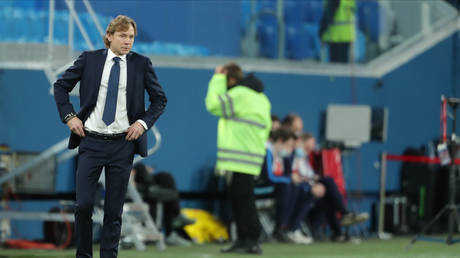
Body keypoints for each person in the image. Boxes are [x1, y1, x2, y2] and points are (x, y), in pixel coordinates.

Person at [53, 15, 167, 258]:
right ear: (109, 36)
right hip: (91, 142)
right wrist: (70, 116)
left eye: (131, 37)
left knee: (113, 211)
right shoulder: (89, 59)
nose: (128, 41)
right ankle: (83, 255)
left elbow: (159, 100)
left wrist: (142, 123)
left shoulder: (141, 64)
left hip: (122, 145)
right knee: (83, 206)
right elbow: (60, 86)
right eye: (123, 36)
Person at [205, 63, 271, 254]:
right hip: (252, 155)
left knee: (242, 201)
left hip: (238, 157)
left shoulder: (240, 94)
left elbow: (213, 104)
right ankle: (245, 239)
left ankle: (250, 238)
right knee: (243, 199)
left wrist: (217, 79)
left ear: (231, 80)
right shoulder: (261, 98)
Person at [300, 133, 369, 242]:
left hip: (309, 188)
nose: (314, 146)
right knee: (328, 181)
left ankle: (339, 233)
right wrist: (312, 184)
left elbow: (308, 175)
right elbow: (295, 176)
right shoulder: (295, 157)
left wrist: (313, 181)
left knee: (328, 197)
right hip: (301, 190)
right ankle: (345, 214)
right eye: (311, 143)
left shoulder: (304, 159)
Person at [130, 162, 195, 246]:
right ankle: (176, 216)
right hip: (138, 187)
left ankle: (175, 218)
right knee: (172, 195)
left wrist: (146, 172)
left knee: (166, 176)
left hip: (144, 187)